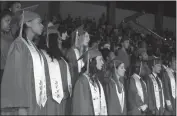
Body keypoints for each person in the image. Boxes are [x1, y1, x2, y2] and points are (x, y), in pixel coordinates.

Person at [1, 11, 47, 115]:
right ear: (28, 23)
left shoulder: (32, 46)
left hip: (35, 101)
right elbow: (16, 79)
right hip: (25, 104)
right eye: (39, 22)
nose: (42, 26)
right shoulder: (19, 45)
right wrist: (21, 108)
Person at [38, 25, 72, 115]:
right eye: (58, 39)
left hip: (63, 101)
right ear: (51, 41)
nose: (60, 41)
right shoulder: (41, 56)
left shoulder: (60, 57)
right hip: (50, 101)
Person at [71, 49, 107, 115]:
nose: (103, 62)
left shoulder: (96, 81)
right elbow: (80, 110)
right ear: (91, 60)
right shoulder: (81, 82)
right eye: (100, 59)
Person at [0, 10, 13, 83]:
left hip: (8, 71)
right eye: (7, 20)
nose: (9, 23)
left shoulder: (9, 35)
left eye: (10, 21)